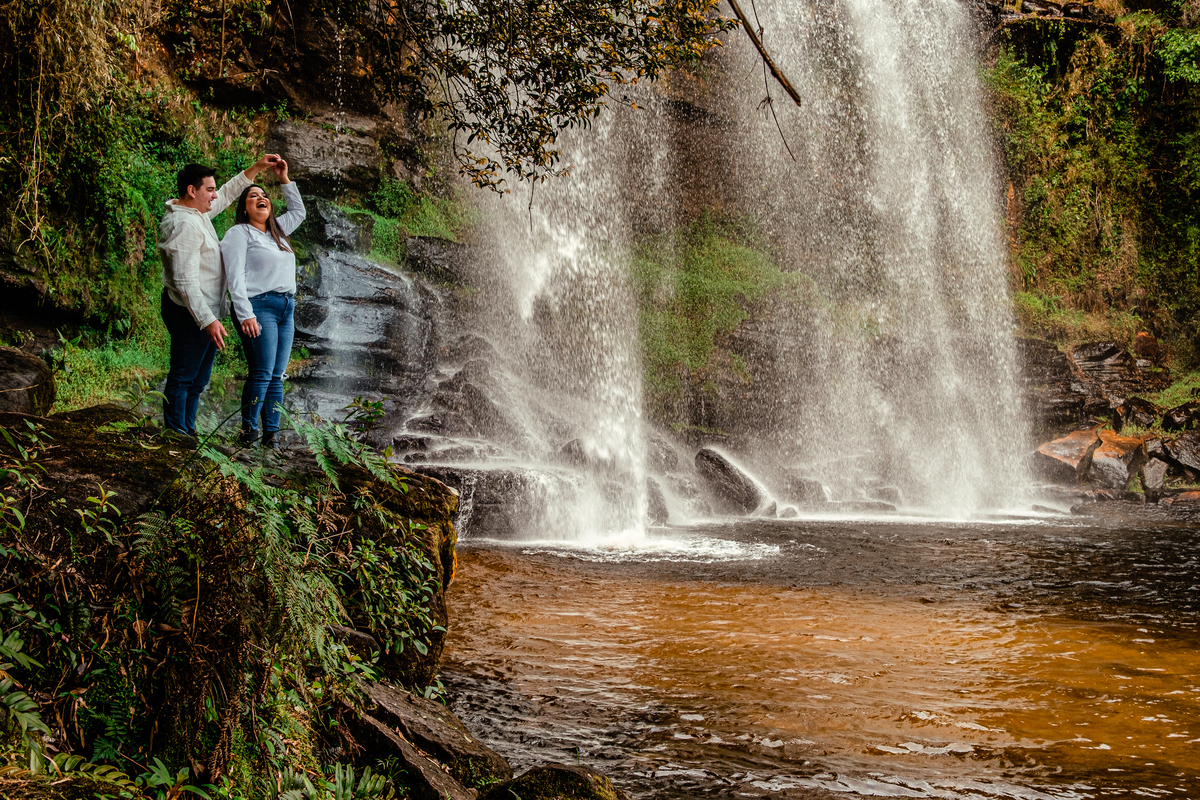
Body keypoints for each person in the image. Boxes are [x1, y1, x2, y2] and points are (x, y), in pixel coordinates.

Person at [158, 155, 280, 437]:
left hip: (205, 312)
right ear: (192, 191)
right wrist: (208, 321)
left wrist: (257, 168)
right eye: (209, 189)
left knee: (198, 380)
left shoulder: (196, 214)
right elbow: (184, 281)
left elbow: (226, 195)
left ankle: (187, 431)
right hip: (191, 313)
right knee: (184, 377)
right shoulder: (184, 225)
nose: (215, 194)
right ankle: (176, 436)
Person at [221, 157, 305, 448]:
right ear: (244, 208)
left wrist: (284, 178)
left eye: (264, 195)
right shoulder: (238, 234)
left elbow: (298, 211)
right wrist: (245, 314)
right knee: (262, 372)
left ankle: (271, 438)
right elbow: (234, 278)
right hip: (259, 307)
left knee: (277, 376)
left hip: (285, 308)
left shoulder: (277, 232)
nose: (261, 198)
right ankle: (248, 433)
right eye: (253, 196)